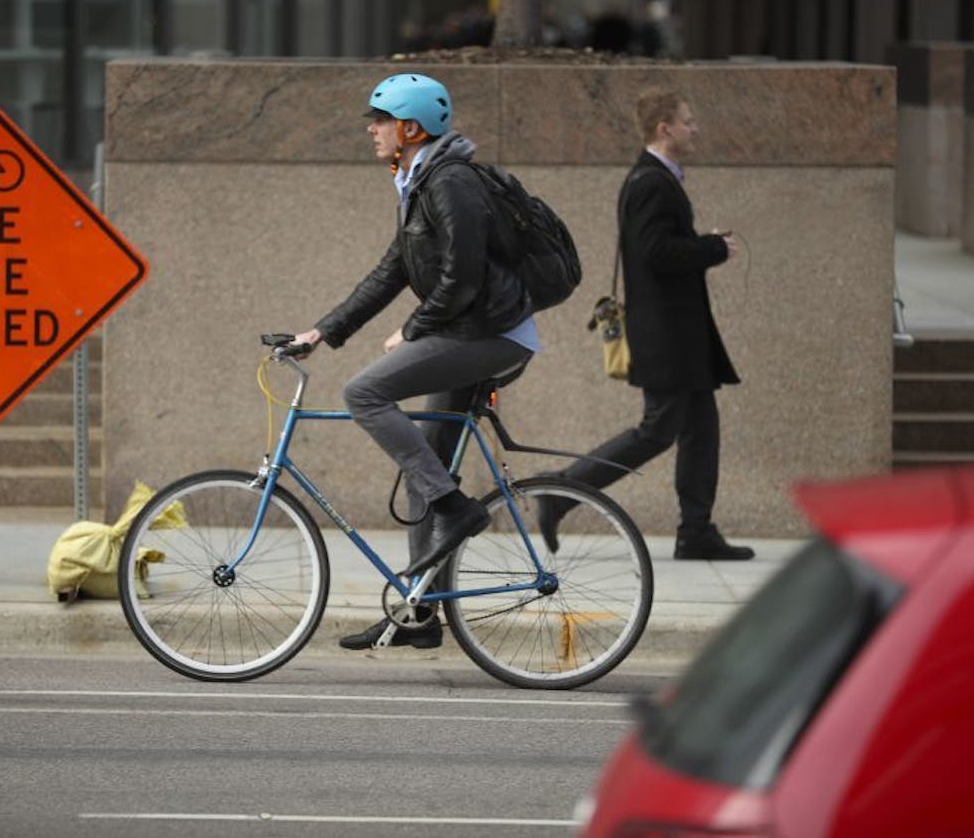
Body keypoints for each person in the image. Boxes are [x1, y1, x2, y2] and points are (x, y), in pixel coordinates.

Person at [291, 73, 538, 649]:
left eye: (378, 120)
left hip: (491, 335)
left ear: (410, 127)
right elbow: (392, 271)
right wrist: (324, 331)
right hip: (470, 330)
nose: (371, 130)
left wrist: (411, 330)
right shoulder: (417, 182)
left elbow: (464, 275)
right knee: (422, 475)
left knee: (365, 394)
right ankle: (421, 615)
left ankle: (457, 508)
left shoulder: (449, 182)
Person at [540, 88, 754, 561]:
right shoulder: (651, 183)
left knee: (702, 429)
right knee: (657, 431)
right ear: (665, 129)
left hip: (682, 335)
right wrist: (712, 248)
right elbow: (654, 252)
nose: (695, 128)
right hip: (668, 335)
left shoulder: (658, 180)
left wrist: (701, 244)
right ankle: (561, 493)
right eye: (688, 120)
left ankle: (696, 531)